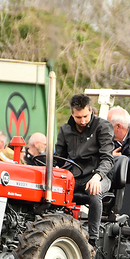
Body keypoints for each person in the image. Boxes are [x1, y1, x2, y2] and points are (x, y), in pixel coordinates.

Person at [55, 93, 114, 247]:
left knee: (95, 191)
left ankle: (93, 240)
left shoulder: (102, 126)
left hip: (98, 174)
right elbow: (59, 159)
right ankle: (56, 230)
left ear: (90, 110)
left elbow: (108, 158)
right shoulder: (65, 130)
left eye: (85, 116)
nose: (82, 121)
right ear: (72, 114)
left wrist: (98, 176)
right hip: (75, 175)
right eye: (78, 117)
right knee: (52, 190)